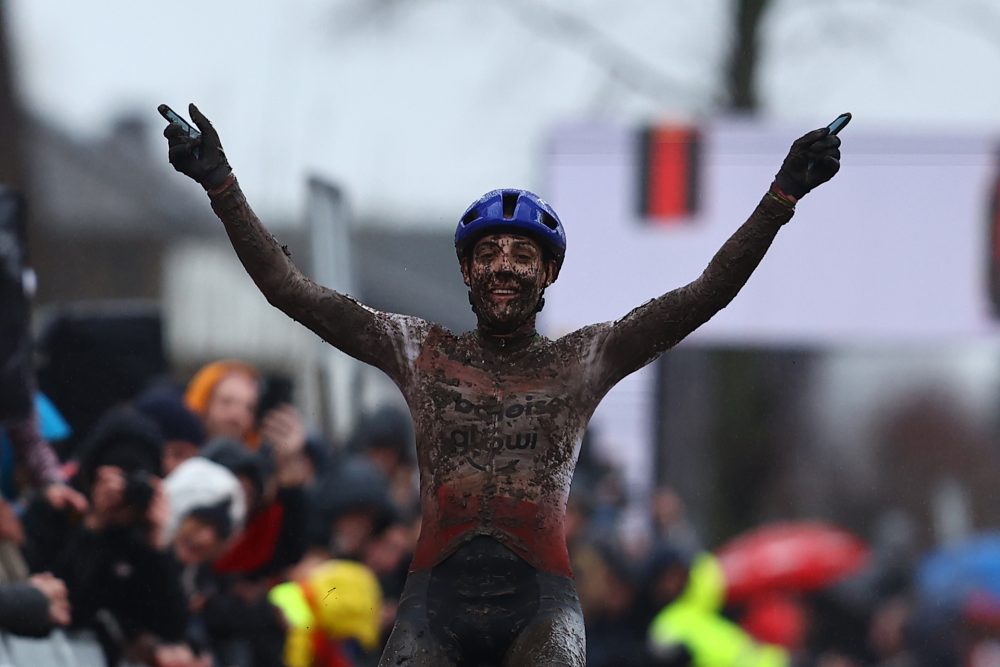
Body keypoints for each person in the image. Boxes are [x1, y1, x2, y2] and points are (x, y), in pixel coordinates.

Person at [162, 103, 842, 666]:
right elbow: (291, 290)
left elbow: (704, 294)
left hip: (540, 605)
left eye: (523, 254)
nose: (505, 266)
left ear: (548, 275)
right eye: (488, 253)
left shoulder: (585, 358)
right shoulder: (419, 350)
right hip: (434, 600)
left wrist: (781, 197)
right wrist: (222, 185)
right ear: (466, 271)